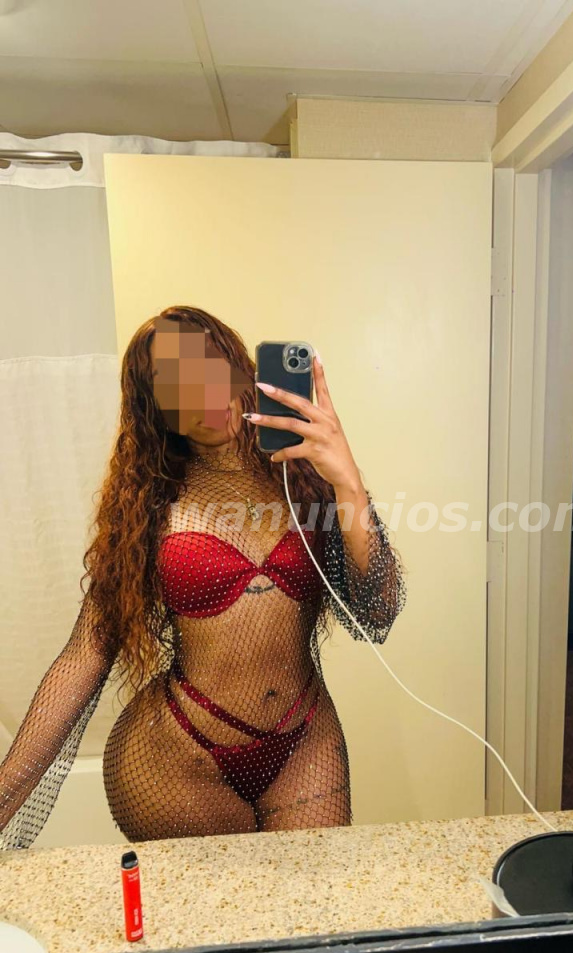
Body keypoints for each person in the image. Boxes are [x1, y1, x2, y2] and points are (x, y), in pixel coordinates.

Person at [0, 306, 405, 848]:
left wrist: (348, 480)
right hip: (179, 760)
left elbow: (378, 608)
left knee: (315, 893)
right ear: (156, 409)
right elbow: (85, 656)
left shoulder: (304, 478)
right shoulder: (148, 504)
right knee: (218, 903)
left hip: (305, 741)